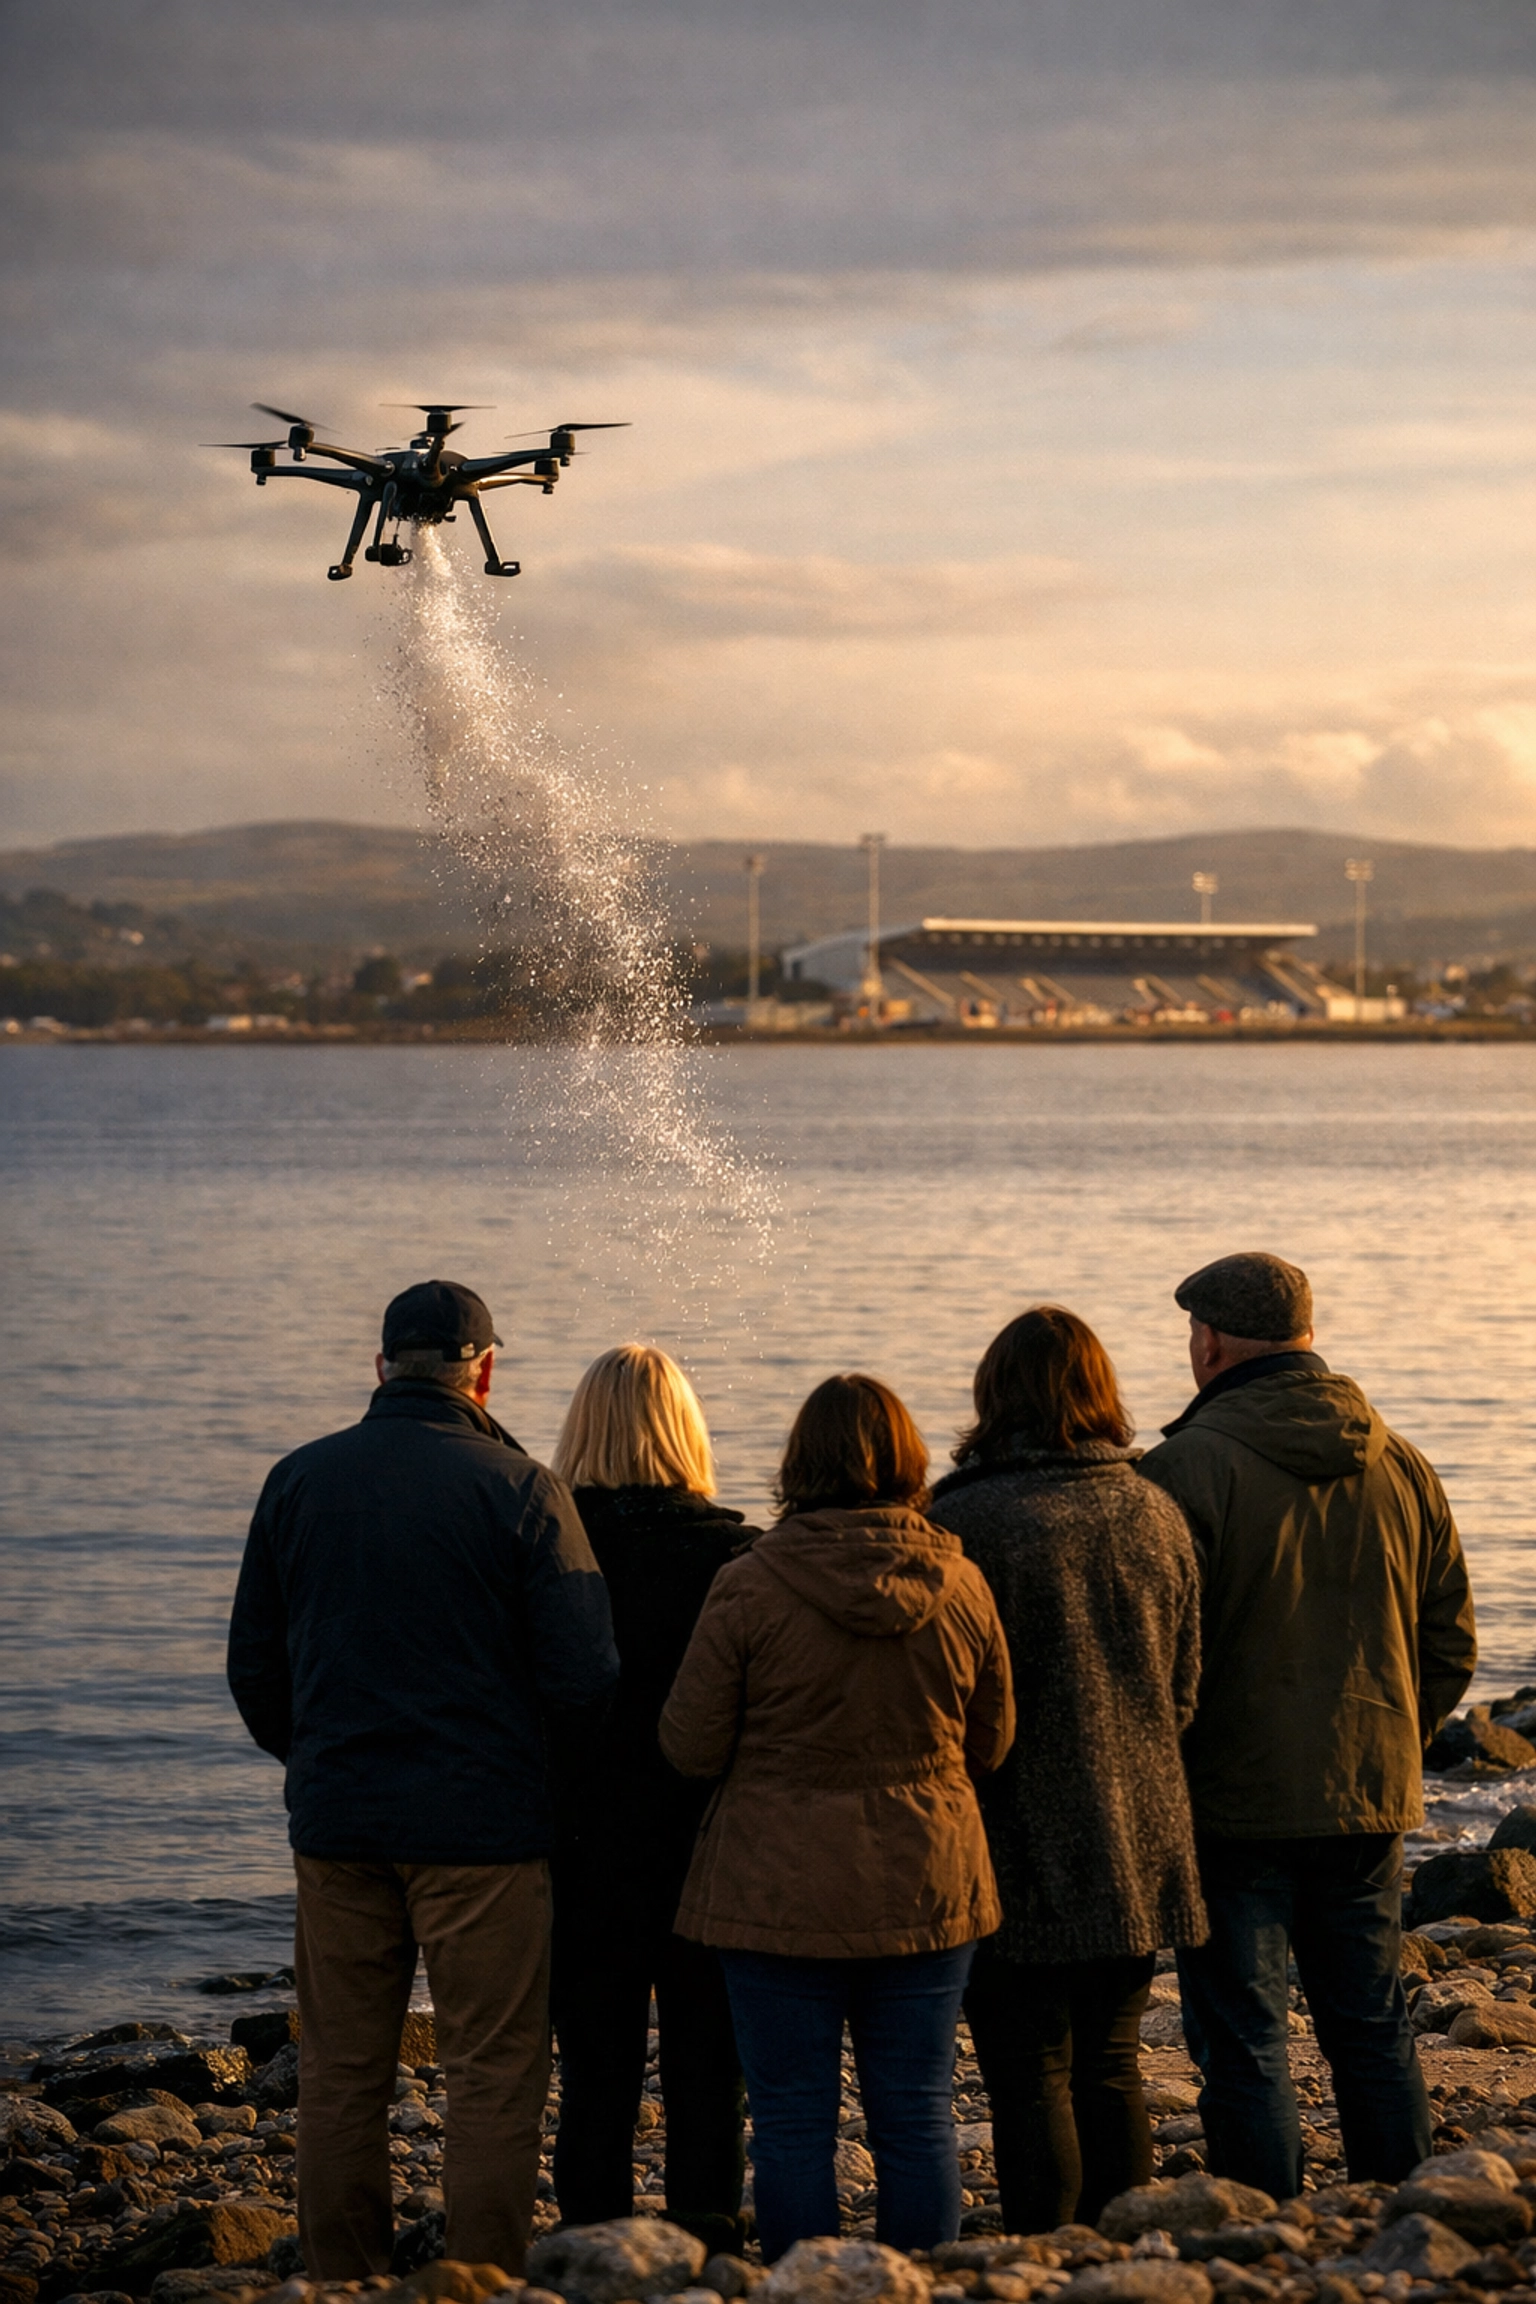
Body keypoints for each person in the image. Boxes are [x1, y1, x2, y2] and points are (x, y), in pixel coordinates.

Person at [227, 1280, 619, 2281]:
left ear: (380, 1368)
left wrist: (315, 1762)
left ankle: (342, 2270)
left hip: (341, 1823)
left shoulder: (297, 1482)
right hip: (484, 1834)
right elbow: (584, 1679)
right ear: (486, 1370)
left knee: (341, 2072)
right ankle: (483, 2276)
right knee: (492, 2071)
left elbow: (256, 1670)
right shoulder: (523, 1490)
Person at [1139, 1251, 1477, 2201]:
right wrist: (1394, 1737)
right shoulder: (1401, 1458)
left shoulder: (1184, 1468)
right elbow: (1448, 1637)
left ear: (1208, 1342)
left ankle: (1267, 2213)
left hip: (1231, 1800)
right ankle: (1405, 2204)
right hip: (1371, 1788)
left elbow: (1157, 1653)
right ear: (1305, 1336)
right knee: (1369, 2020)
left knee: (1244, 2034)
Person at [658, 1373, 1015, 2262]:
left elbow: (690, 1746)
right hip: (929, 1878)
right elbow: (995, 1741)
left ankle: (801, 2283)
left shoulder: (748, 1585)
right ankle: (918, 2280)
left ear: (797, 1464)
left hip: (774, 1888)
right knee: (917, 2111)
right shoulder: (961, 1581)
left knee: (788, 2118)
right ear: (909, 1463)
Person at [927, 1305, 1207, 2235]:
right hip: (1139, 1834)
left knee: (1028, 2071)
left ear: (993, 1395)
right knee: (1112, 2063)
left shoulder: (961, 1519)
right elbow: (1183, 1692)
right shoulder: (1154, 1511)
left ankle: (1044, 2251)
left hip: (1011, 1838)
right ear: (1101, 1393)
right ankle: (1126, 2246)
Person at [547, 1344, 757, 2251]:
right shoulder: (736, 1556)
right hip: (708, 1844)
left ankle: (593, 2233)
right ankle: (706, 2233)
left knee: (596, 2060)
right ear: (687, 1431)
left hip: (582, 1844)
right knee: (711, 2058)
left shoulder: (549, 1551)